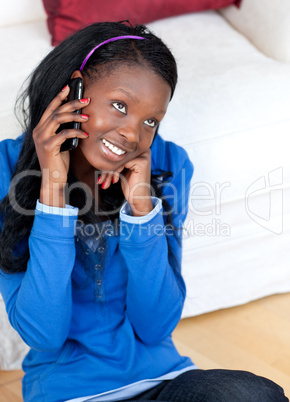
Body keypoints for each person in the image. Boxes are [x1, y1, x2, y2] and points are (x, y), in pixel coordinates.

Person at [0, 21, 288, 402]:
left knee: (252, 395)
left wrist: (141, 210)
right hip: (70, 394)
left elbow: (155, 327)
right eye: (120, 105)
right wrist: (52, 187)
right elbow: (44, 335)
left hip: (164, 382)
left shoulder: (168, 163)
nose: (133, 135)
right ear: (73, 91)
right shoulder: (7, 168)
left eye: (150, 120)